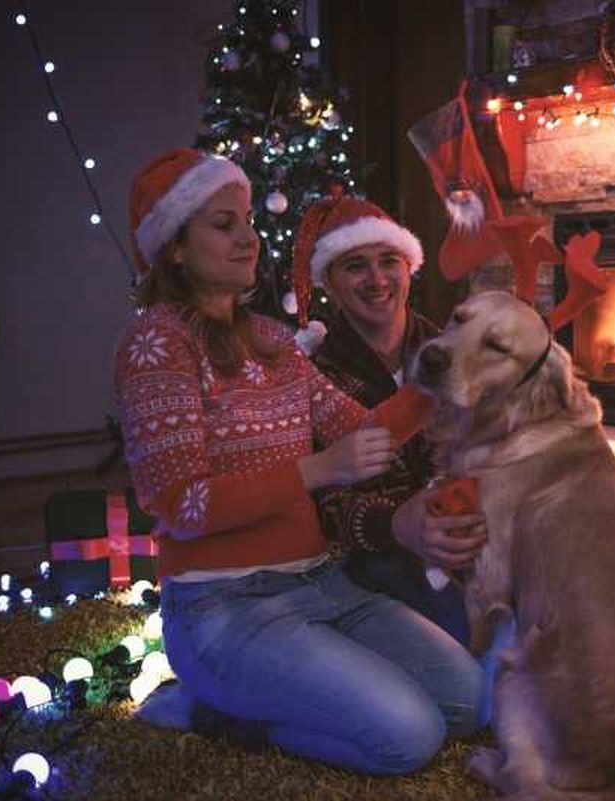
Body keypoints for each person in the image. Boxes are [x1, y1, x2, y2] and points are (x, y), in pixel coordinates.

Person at [114, 148, 483, 774]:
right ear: (174, 248)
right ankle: (212, 711)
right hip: (223, 609)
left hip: (321, 586)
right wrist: (316, 471)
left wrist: (445, 369)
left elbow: (366, 431)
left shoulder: (274, 341)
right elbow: (180, 505)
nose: (249, 239)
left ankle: (292, 688)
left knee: (470, 703)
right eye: (223, 225)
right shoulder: (156, 344)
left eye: (249, 221)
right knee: (408, 737)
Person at [291, 196, 486, 645]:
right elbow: (320, 505)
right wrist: (399, 522)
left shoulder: (453, 350)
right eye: (355, 266)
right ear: (331, 284)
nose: (377, 279)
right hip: (375, 557)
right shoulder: (312, 375)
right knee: (461, 638)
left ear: (408, 269)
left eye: (388, 261)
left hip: (466, 529)